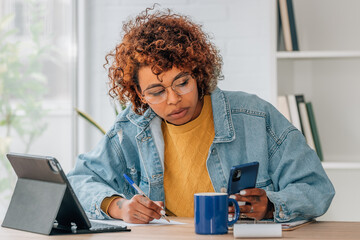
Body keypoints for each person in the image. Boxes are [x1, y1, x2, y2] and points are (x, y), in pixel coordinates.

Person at [67, 7, 335, 224]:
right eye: (157, 91)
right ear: (139, 92)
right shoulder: (131, 127)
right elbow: (79, 180)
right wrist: (118, 206)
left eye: (182, 83)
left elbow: (316, 188)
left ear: (197, 72)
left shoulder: (255, 116)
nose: (173, 99)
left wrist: (270, 206)